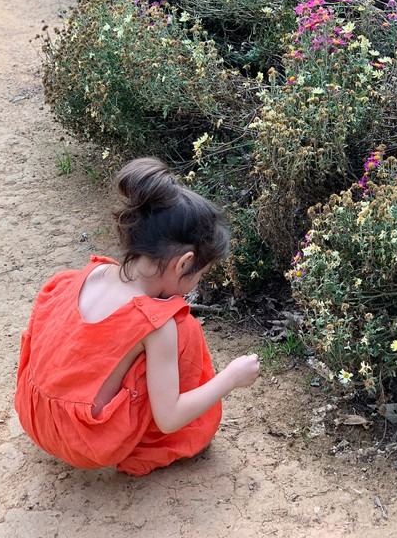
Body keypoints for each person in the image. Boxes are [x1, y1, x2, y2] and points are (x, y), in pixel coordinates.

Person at [15, 157, 260, 476]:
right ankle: (154, 445)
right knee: (181, 329)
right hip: (83, 441)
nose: (197, 283)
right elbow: (168, 416)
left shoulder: (91, 273)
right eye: (201, 273)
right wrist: (230, 378)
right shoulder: (154, 323)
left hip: (35, 414)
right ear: (184, 264)